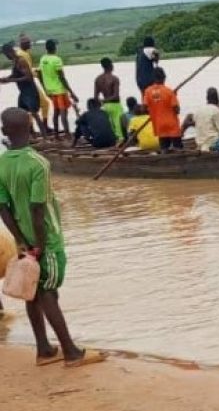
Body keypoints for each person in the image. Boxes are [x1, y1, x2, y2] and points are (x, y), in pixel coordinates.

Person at [0, 107, 105, 367]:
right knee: (48, 292)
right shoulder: (38, 163)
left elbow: (3, 207)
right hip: (45, 238)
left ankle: (44, 349)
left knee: (33, 292)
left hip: (22, 239)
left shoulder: (1, 163)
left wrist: (21, 241)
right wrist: (40, 244)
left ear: (4, 132)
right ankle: (70, 352)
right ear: (31, 128)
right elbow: (38, 208)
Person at [1, 42, 51, 137]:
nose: (6, 56)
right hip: (23, 92)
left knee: (35, 114)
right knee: (23, 114)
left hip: (30, 91)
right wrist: (6, 79)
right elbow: (16, 75)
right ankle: (31, 136)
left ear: (10, 52)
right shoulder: (15, 61)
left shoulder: (21, 61)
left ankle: (45, 138)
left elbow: (28, 77)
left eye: (5, 54)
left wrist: (11, 80)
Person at [37, 40, 78, 136]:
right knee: (63, 112)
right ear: (55, 48)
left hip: (50, 90)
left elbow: (39, 73)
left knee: (56, 111)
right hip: (59, 89)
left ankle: (56, 134)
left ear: (46, 48)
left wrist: (45, 88)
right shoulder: (57, 59)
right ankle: (67, 134)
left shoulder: (43, 59)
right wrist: (72, 92)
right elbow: (62, 77)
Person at [181, 88, 219, 152]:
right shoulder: (218, 109)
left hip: (202, 142)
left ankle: (178, 137)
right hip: (215, 141)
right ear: (217, 98)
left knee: (190, 116)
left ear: (207, 99)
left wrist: (190, 124)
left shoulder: (200, 110)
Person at [15, 34, 51, 131]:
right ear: (22, 44)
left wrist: (35, 71)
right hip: (29, 85)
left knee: (30, 107)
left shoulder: (24, 53)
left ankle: (33, 129)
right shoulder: (22, 55)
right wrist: (37, 74)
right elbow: (26, 72)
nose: (30, 44)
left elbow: (28, 69)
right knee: (44, 104)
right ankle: (42, 127)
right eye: (28, 43)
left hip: (27, 85)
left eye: (29, 42)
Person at [142, 68, 182, 152]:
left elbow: (144, 109)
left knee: (164, 148)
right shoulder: (169, 91)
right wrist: (174, 96)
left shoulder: (148, 91)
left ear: (153, 78)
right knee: (178, 148)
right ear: (164, 77)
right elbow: (177, 110)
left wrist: (154, 110)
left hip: (159, 126)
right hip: (172, 126)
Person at [94, 58, 125, 139]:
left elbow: (95, 97)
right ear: (111, 65)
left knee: (110, 126)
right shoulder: (114, 78)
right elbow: (115, 95)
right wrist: (105, 100)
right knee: (119, 126)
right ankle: (120, 141)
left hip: (105, 107)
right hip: (115, 105)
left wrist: (102, 102)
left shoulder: (98, 79)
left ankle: (113, 140)